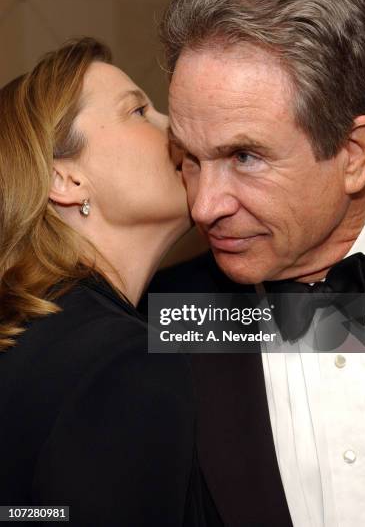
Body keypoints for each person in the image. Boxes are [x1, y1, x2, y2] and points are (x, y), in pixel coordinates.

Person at [147, 0, 365, 526]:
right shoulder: (153, 323)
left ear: (353, 153)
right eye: (189, 158)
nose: (204, 207)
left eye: (245, 156)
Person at [0, 37, 222, 526]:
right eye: (139, 111)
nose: (174, 126)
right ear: (65, 179)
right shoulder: (122, 359)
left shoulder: (37, 333)